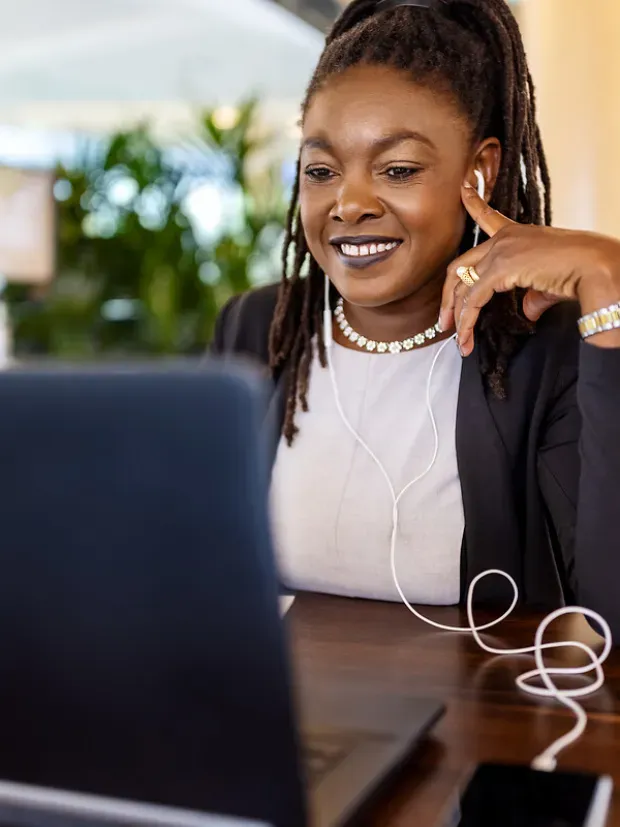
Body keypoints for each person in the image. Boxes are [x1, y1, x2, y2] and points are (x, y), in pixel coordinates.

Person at [211, 0, 620, 640]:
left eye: (397, 169)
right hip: (274, 725)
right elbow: (189, 563)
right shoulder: (257, 328)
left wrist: (610, 284)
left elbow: (613, 612)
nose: (348, 204)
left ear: (479, 171)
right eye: (321, 171)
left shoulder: (547, 350)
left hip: (474, 731)